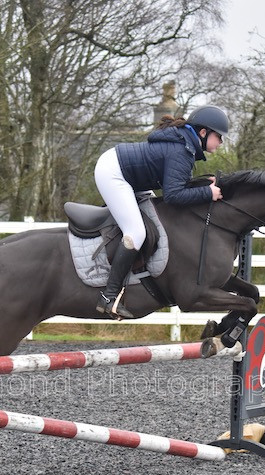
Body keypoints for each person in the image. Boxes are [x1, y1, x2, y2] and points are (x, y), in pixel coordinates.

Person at [93, 105, 229, 319]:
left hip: (127, 173)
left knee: (154, 219)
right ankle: (108, 296)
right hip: (113, 173)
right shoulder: (182, 150)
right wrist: (207, 193)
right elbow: (174, 196)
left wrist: (203, 185)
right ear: (203, 133)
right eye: (218, 137)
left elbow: (174, 185)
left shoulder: (185, 147)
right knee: (136, 232)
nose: (220, 142)